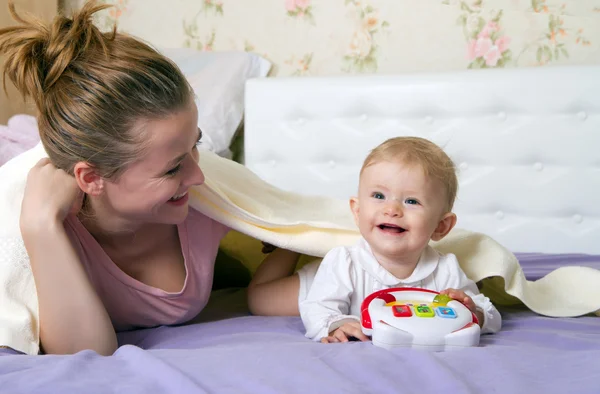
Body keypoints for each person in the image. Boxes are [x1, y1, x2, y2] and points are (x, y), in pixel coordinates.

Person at [0, 0, 294, 356]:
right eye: (172, 168)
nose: (197, 175)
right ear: (92, 178)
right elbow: (85, 355)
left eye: (196, 144)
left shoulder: (206, 196)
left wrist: (287, 240)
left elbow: (312, 227)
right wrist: (41, 226)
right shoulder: (30, 217)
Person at [248, 137, 502, 343]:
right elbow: (317, 308)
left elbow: (490, 313)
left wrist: (474, 311)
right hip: (327, 282)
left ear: (441, 226)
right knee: (258, 301)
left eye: (411, 201)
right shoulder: (342, 262)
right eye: (379, 196)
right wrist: (334, 324)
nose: (392, 209)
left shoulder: (446, 270)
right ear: (357, 212)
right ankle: (290, 244)